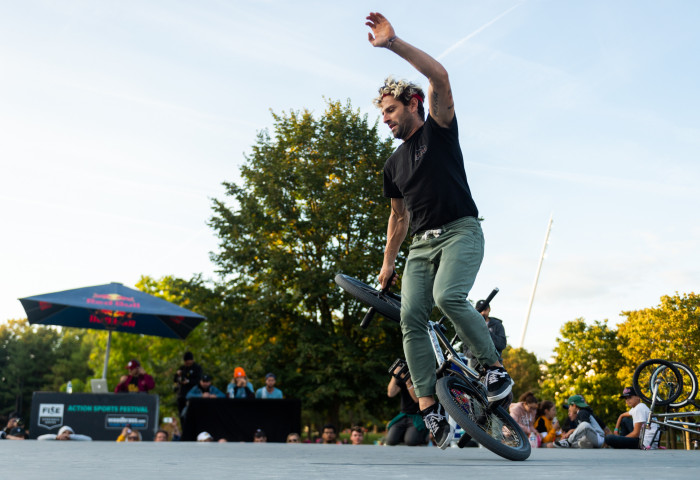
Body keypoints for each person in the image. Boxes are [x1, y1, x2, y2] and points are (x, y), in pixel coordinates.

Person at [366, 11, 513, 450]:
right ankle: (431, 410)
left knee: (448, 297)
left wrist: (392, 44)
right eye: (383, 114)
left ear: (412, 103)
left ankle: (492, 368)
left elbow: (441, 76)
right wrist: (388, 264)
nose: (386, 119)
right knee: (410, 317)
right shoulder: (392, 165)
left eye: (390, 110)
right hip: (420, 247)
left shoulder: (439, 129)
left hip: (461, 231)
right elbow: (398, 218)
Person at [386, 360, 428, 446]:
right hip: (404, 415)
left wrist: (407, 382)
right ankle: (405, 434)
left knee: (411, 442)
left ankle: (423, 436)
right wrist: (395, 375)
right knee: (390, 441)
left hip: (417, 416)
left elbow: (416, 399)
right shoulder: (403, 374)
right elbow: (391, 393)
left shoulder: (421, 376)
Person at [173, 351, 202, 417]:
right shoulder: (182, 368)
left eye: (189, 362)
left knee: (191, 414)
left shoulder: (197, 368)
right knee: (182, 414)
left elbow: (199, 380)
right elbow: (175, 380)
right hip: (182, 394)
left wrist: (188, 381)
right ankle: (183, 426)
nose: (187, 364)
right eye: (186, 363)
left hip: (193, 394)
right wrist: (177, 375)